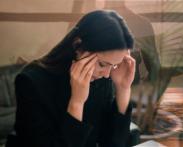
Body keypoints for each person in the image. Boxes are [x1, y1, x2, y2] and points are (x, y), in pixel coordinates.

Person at [6, 10, 136, 147]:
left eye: (114, 66)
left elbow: (113, 144)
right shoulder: (31, 81)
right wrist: (77, 102)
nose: (107, 74)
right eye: (103, 64)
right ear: (77, 45)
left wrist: (123, 89)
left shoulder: (101, 79)